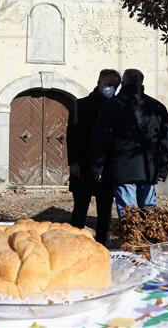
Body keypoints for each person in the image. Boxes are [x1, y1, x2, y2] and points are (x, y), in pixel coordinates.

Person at [90, 68, 168, 217]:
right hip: (149, 169)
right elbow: (166, 139)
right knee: (149, 215)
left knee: (130, 217)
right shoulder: (158, 107)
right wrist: (164, 168)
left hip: (123, 169)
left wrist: (98, 168)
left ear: (123, 83)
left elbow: (101, 138)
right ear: (141, 83)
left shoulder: (112, 105)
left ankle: (133, 240)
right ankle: (148, 240)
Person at [66, 69, 120, 245]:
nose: (111, 88)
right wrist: (73, 162)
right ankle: (75, 243)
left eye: (115, 85)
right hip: (82, 164)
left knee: (105, 213)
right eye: (108, 84)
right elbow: (71, 135)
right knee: (80, 209)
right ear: (99, 82)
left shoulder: (117, 107)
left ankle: (102, 245)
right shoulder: (80, 105)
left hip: (106, 168)